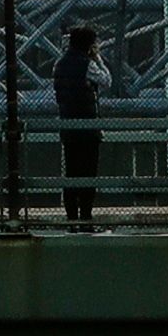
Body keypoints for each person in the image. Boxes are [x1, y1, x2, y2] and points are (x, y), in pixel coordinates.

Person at [52, 22, 102, 226]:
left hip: (68, 124)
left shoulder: (59, 64)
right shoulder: (87, 64)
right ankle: (86, 216)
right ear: (89, 45)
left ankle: (71, 215)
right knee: (89, 171)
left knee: (71, 171)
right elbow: (106, 79)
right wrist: (97, 57)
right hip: (88, 126)